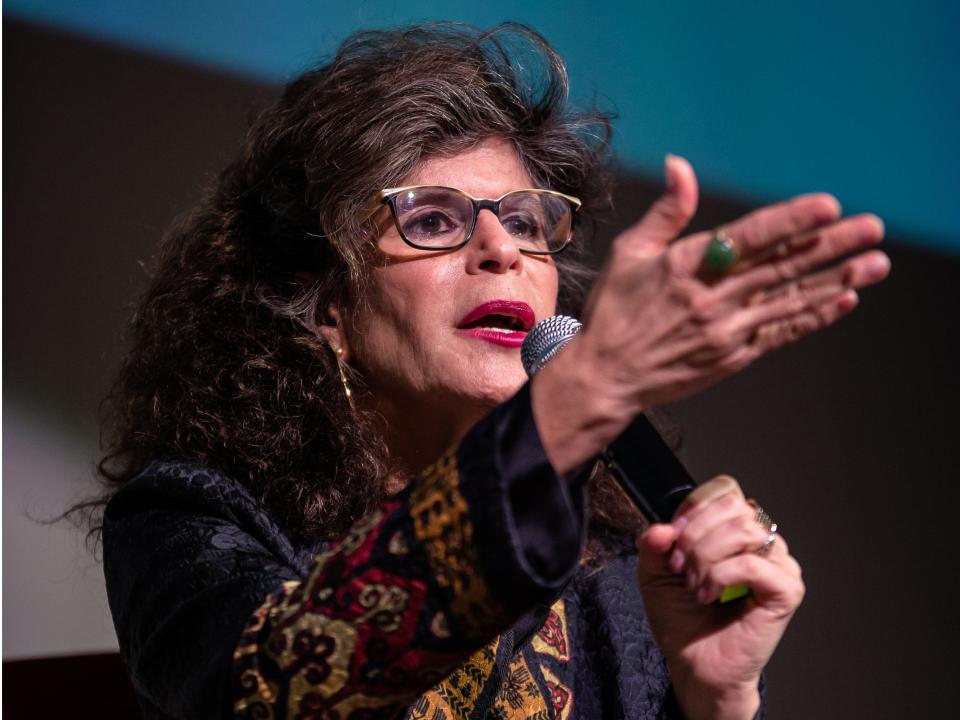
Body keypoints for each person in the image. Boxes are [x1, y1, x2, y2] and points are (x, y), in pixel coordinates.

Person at [97, 23, 889, 720]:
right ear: (327, 305)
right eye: (433, 219)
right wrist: (583, 396)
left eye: (524, 221)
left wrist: (713, 699)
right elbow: (289, 693)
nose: (502, 248)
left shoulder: (612, 563)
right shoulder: (195, 520)